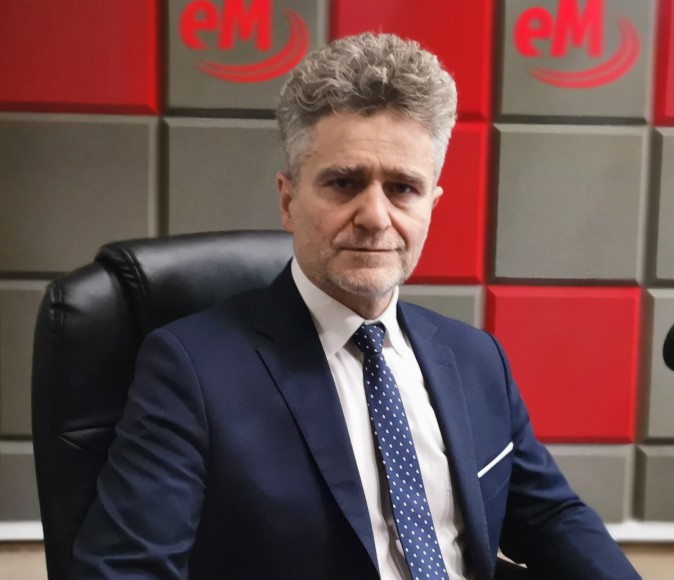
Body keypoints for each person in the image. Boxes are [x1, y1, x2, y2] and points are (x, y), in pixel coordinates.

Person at [72, 33, 640, 579]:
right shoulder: (192, 370)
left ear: (432, 205)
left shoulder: (476, 358)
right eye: (344, 183)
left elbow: (552, 520)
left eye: (403, 188)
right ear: (288, 200)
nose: (374, 216)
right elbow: (125, 568)